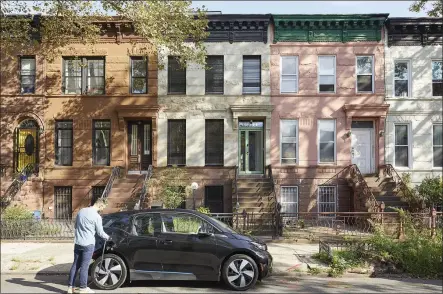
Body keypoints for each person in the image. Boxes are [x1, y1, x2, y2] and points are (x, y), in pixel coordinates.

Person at [67, 198, 110, 294]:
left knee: (75, 265)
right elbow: (100, 232)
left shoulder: (81, 211)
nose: (102, 210)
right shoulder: (97, 217)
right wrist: (108, 237)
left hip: (78, 243)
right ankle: (83, 288)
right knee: (84, 267)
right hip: (88, 244)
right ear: (100, 205)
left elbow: (75, 226)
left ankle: (70, 288)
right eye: (103, 207)